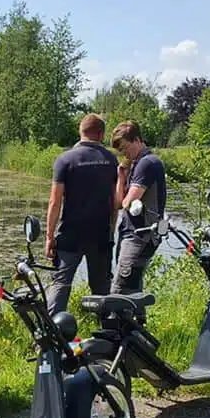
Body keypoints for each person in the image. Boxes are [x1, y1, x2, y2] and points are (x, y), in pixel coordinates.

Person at [44, 114, 119, 316]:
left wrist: (49, 237)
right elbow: (115, 202)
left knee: (61, 284)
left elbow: (55, 201)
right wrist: (111, 232)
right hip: (100, 235)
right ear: (101, 134)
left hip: (71, 234)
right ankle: (108, 333)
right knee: (101, 289)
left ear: (81, 131)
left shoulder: (65, 160)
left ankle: (52, 335)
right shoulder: (111, 160)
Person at [110, 120, 166, 320]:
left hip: (142, 234)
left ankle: (115, 333)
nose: (125, 154)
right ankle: (137, 335)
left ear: (136, 140)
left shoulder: (148, 164)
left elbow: (128, 202)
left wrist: (126, 196)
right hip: (131, 232)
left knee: (120, 287)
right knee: (133, 286)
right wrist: (121, 177)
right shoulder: (136, 164)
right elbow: (119, 203)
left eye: (125, 148)